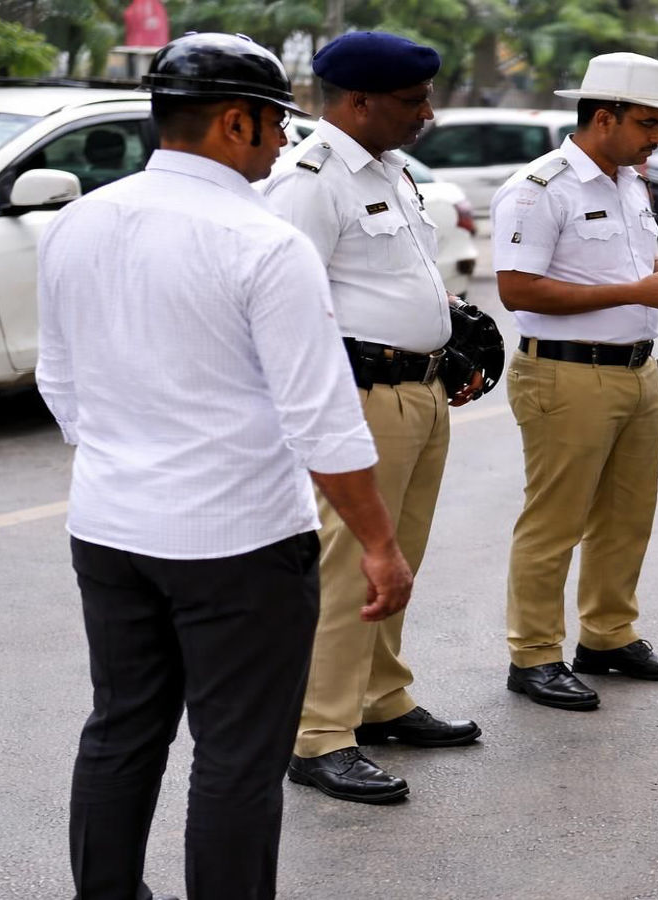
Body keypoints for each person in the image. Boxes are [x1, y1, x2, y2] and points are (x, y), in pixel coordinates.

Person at [38, 32, 412, 899]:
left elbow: (60, 382)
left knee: (121, 729)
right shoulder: (262, 241)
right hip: (239, 544)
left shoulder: (79, 221)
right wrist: (381, 548)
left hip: (109, 528)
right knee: (239, 755)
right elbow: (321, 421)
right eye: (278, 123)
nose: (285, 142)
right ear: (236, 121)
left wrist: (132, 457)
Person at [263, 31, 481, 804]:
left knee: (402, 554)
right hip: (358, 397)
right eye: (411, 100)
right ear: (357, 101)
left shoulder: (388, 169)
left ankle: (381, 698)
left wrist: (449, 324)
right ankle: (318, 733)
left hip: (417, 391)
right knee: (355, 563)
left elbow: (391, 280)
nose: (426, 112)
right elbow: (287, 306)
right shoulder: (309, 179)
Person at [491, 52, 658, 711]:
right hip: (565, 373)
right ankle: (532, 656)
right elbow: (516, 288)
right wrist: (633, 290)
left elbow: (631, 258)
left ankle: (609, 636)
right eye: (649, 122)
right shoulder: (540, 187)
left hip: (636, 369)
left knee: (626, 516)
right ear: (603, 117)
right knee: (555, 522)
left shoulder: (627, 182)